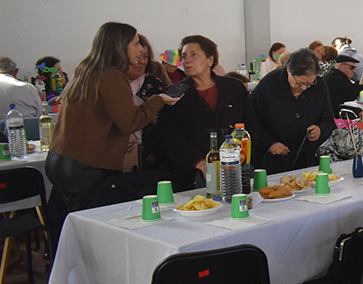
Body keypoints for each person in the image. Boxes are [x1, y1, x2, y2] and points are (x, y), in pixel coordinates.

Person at [45, 22, 179, 212]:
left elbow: (98, 119)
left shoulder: (88, 70)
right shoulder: (111, 76)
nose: (141, 49)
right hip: (85, 168)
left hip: (61, 162)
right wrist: (158, 100)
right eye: (136, 43)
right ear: (120, 46)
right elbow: (130, 122)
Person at [157, 34, 261, 191]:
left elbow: (251, 124)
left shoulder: (234, 87)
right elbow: (170, 137)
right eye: (183, 56)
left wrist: (244, 155)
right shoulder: (172, 94)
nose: (187, 60)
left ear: (210, 60)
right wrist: (199, 162)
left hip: (237, 164)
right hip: (194, 172)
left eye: (194, 54)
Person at [250, 48, 335, 172]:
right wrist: (269, 144)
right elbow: (251, 121)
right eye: (299, 83)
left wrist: (320, 130)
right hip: (271, 161)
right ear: (289, 70)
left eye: (309, 84)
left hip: (306, 160)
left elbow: (328, 120)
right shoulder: (269, 84)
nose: (304, 88)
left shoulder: (319, 86)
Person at [124, 34, 169, 171]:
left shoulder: (154, 84)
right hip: (112, 156)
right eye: (137, 56)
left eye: (145, 57)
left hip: (151, 156)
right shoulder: (111, 84)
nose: (141, 61)